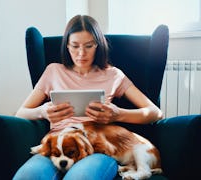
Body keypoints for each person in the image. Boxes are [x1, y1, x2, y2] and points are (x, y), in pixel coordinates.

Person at [13, 15, 163, 180]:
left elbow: (155, 112)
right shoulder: (53, 71)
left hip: (97, 147)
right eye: (75, 46)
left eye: (89, 46)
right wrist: (42, 112)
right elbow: (21, 113)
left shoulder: (113, 75)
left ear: (98, 46)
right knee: (27, 177)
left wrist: (118, 114)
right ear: (66, 46)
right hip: (58, 145)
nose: (81, 53)